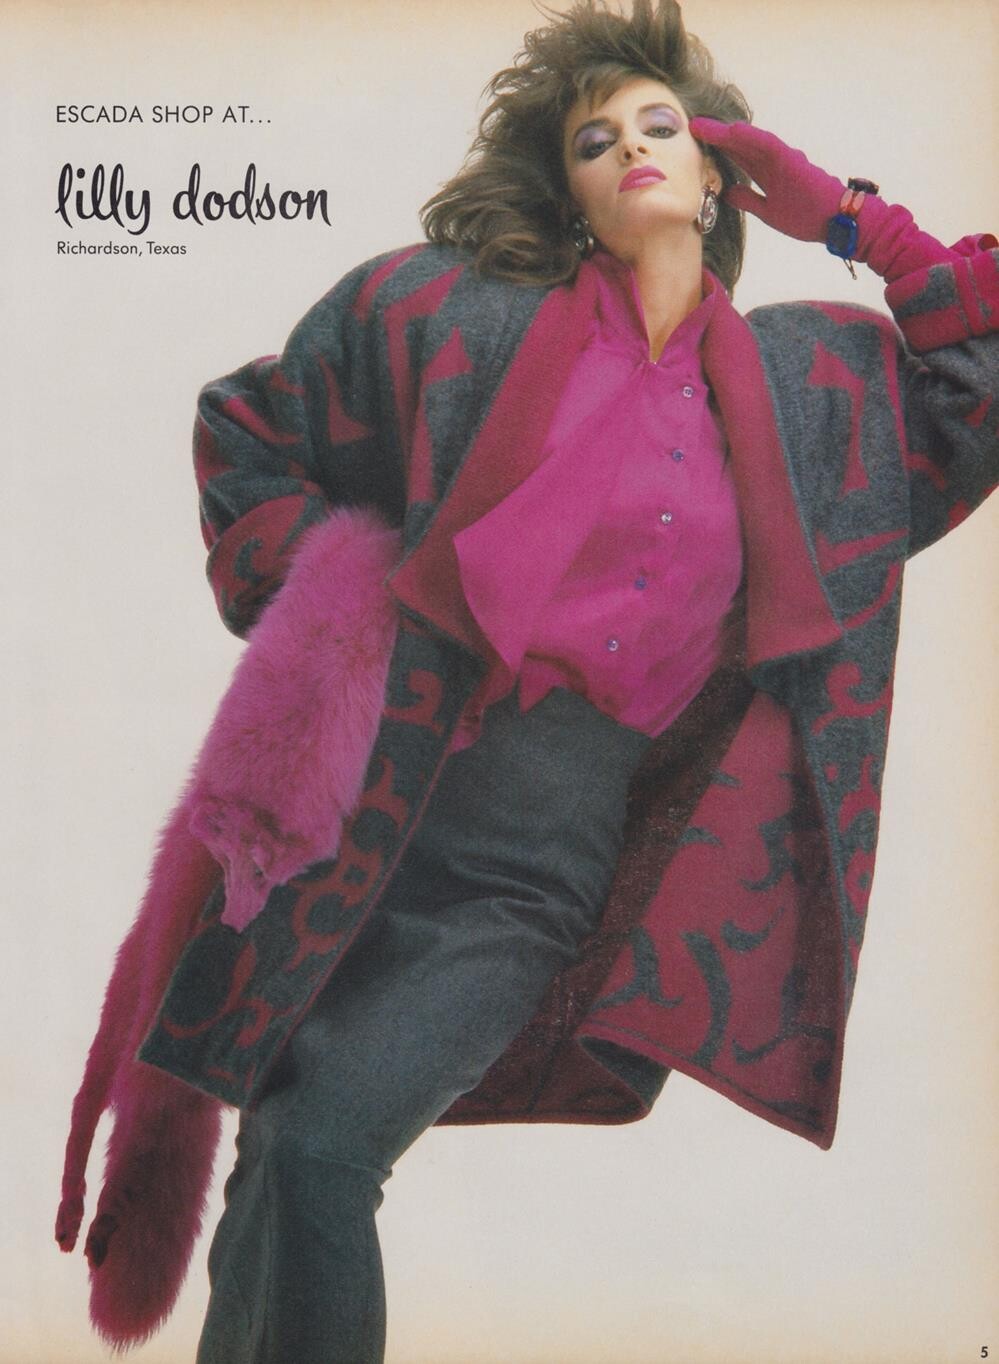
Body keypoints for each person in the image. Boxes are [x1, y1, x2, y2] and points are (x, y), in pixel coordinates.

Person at [56, 1, 998, 1360]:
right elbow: (248, 423)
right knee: (284, 1144)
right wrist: (329, 609)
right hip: (359, 819)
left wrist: (847, 220)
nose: (629, 150)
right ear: (568, 192)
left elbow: (980, 387)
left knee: (324, 1140)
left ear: (720, 170)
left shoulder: (813, 396)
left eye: (659, 126)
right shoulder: (453, 315)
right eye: (592, 141)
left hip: (530, 871)